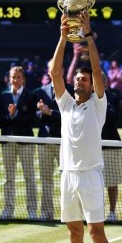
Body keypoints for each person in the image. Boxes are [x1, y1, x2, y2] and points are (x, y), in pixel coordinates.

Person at [49, 11, 112, 243]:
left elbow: (97, 70)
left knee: (96, 233)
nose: (80, 81)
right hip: (68, 175)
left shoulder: (98, 104)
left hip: (90, 176)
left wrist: (87, 34)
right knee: (74, 234)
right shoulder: (65, 104)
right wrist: (63, 37)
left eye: (84, 79)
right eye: (77, 78)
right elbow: (55, 73)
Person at [35, 60, 74, 221]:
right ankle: (46, 212)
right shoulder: (40, 91)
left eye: (58, 67)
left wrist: (50, 112)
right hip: (45, 140)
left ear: (62, 70)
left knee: (68, 179)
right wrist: (42, 112)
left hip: (65, 141)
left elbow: (71, 116)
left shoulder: (71, 90)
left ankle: (71, 213)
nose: (55, 70)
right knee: (46, 179)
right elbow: (35, 117)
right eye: (52, 68)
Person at [0, 66, 37, 220]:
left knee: (29, 177)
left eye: (18, 77)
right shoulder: (3, 96)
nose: (15, 80)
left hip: (25, 141)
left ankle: (32, 210)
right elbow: (0, 119)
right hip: (8, 141)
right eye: (13, 77)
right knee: (9, 178)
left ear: (23, 79)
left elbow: (31, 119)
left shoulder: (30, 96)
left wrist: (17, 113)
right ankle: (8, 209)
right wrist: (10, 116)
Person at [101, 72, 122, 223]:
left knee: (112, 181)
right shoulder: (86, 98)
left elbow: (112, 117)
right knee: (94, 182)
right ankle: (97, 211)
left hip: (110, 143)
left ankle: (112, 211)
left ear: (105, 84)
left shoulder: (114, 98)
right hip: (92, 145)